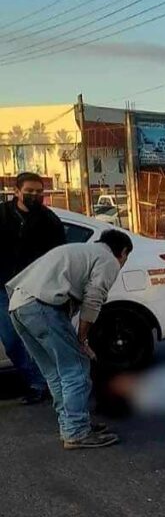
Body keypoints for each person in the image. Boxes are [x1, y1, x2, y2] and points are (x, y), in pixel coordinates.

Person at [6, 230, 132, 449]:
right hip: (41, 307)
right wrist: (82, 339)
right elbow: (94, 299)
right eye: (125, 258)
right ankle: (76, 431)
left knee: (56, 371)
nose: (122, 263)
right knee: (76, 368)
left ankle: (72, 424)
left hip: (18, 307)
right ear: (122, 251)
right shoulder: (108, 260)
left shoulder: (80, 251)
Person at [0, 172, 65, 405]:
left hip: (35, 288)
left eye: (39, 191)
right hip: (3, 288)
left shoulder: (49, 220)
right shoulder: (2, 214)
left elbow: (60, 255)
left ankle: (44, 384)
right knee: (12, 341)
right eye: (29, 191)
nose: (35, 195)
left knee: (39, 339)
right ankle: (36, 381)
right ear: (16, 191)